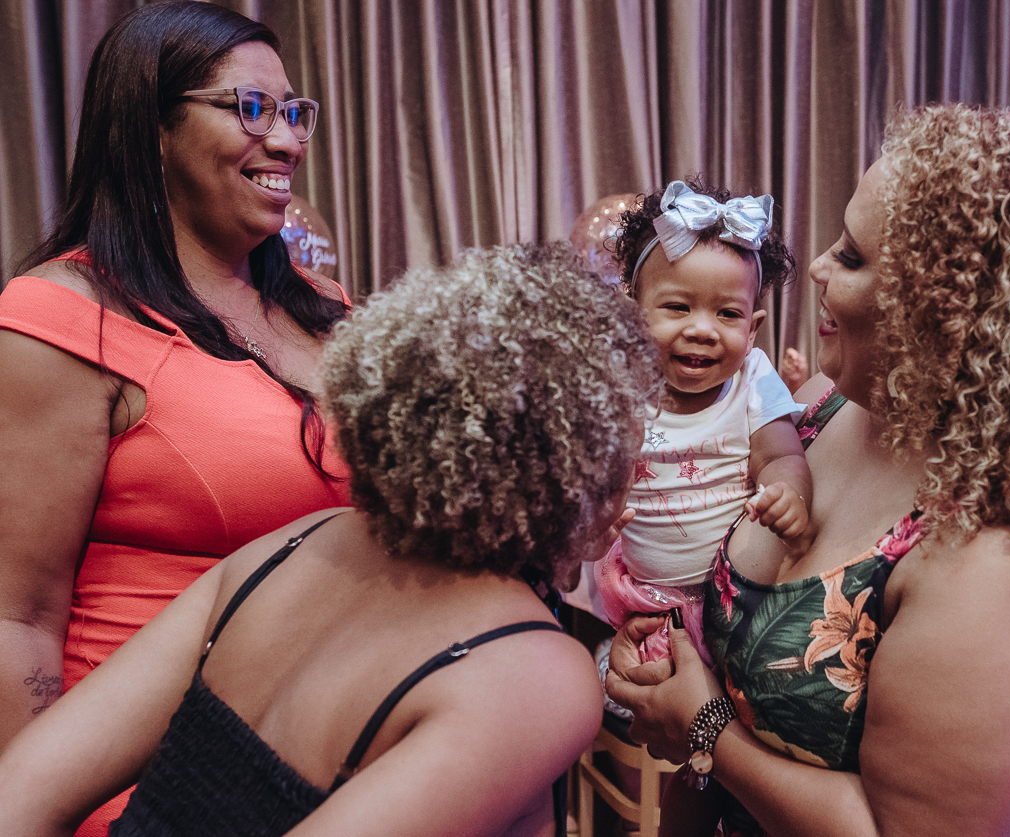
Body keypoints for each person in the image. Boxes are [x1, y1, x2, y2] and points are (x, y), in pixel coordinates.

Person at [606, 104, 1010, 837]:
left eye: (852, 257)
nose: (817, 267)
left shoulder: (996, 559)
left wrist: (705, 731)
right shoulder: (825, 408)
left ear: (950, 313)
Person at [0, 242, 660, 837]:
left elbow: (21, 794)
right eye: (629, 443)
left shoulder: (297, 541)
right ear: (575, 465)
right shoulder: (537, 673)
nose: (638, 471)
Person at [0, 4, 348, 831]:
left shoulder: (330, 308)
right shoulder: (61, 315)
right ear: (151, 129)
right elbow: (19, 615)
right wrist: (42, 807)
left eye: (294, 112)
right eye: (251, 108)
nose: (287, 141)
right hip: (151, 789)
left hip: (332, 766)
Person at [593, 180, 812, 666]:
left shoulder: (752, 379)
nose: (701, 329)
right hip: (650, 603)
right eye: (677, 307)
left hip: (739, 598)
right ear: (633, 315)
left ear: (752, 329)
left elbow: (781, 454)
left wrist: (789, 494)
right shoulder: (622, 387)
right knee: (653, 686)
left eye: (727, 313)